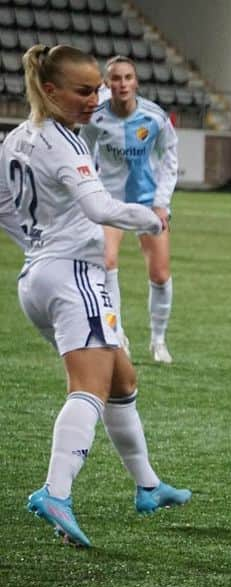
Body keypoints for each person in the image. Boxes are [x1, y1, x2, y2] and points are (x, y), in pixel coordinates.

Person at [0, 44, 190, 549]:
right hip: (73, 276)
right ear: (50, 90)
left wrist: (38, 245)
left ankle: (148, 486)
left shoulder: (17, 137)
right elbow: (100, 207)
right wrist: (152, 218)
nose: (94, 99)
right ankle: (55, 492)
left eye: (98, 89)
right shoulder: (64, 142)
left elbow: (3, 206)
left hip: (37, 277)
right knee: (89, 387)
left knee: (122, 378)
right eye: (84, 91)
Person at [80, 55, 179, 364]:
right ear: (107, 84)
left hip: (148, 201)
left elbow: (170, 158)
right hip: (109, 201)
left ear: (135, 82)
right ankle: (117, 333)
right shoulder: (96, 117)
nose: (122, 84)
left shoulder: (154, 117)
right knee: (107, 262)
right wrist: (90, 191)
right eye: (115, 78)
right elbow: (82, 152)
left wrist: (162, 203)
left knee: (160, 274)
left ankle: (158, 341)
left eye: (127, 78)